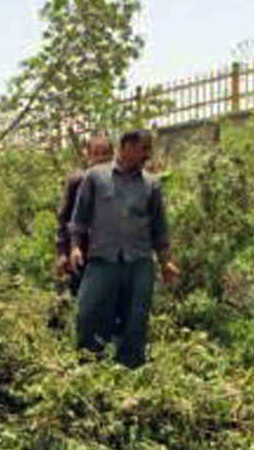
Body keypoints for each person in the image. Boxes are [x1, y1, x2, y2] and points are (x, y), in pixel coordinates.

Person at [68, 129, 179, 368]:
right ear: (127, 147)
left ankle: (129, 373)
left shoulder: (151, 184)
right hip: (102, 259)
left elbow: (159, 229)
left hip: (139, 263)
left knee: (135, 321)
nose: (148, 155)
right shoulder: (95, 177)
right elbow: (79, 220)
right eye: (144, 148)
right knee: (89, 313)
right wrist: (75, 248)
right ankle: (89, 367)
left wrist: (165, 262)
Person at [55, 135, 114, 296]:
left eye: (105, 154)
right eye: (96, 154)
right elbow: (63, 217)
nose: (100, 158)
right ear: (88, 156)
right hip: (79, 253)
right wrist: (62, 252)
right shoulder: (77, 181)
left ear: (112, 156)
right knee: (73, 297)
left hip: (107, 256)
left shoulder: (118, 183)